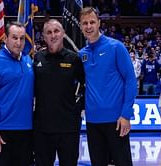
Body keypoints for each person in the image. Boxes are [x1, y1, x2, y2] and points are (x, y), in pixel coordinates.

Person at [78, 7, 137, 166]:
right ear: (80, 26)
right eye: (85, 23)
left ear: (99, 23)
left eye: (92, 22)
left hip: (117, 121)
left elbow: (130, 80)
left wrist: (126, 115)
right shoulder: (81, 54)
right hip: (92, 122)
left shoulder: (116, 47)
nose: (88, 26)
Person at [0, 22, 34, 166]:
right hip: (1, 132)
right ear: (5, 38)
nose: (18, 42)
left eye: (22, 38)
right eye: (14, 38)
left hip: (26, 132)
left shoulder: (28, 61)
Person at [33, 19, 85, 166]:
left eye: (56, 31)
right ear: (43, 36)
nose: (53, 35)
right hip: (42, 129)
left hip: (68, 129)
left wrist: (78, 109)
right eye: (49, 32)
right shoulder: (38, 58)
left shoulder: (74, 59)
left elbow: (86, 86)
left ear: (63, 34)